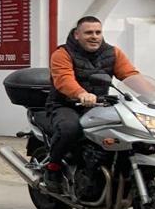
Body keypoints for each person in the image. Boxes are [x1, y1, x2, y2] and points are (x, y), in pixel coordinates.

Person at [45, 15, 139, 182]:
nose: (94, 36)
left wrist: (152, 94)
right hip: (66, 104)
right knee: (70, 129)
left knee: (130, 127)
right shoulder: (62, 53)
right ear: (77, 34)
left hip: (99, 104)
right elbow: (64, 79)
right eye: (88, 32)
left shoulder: (113, 52)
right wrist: (81, 93)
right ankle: (53, 168)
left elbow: (131, 75)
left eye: (98, 32)